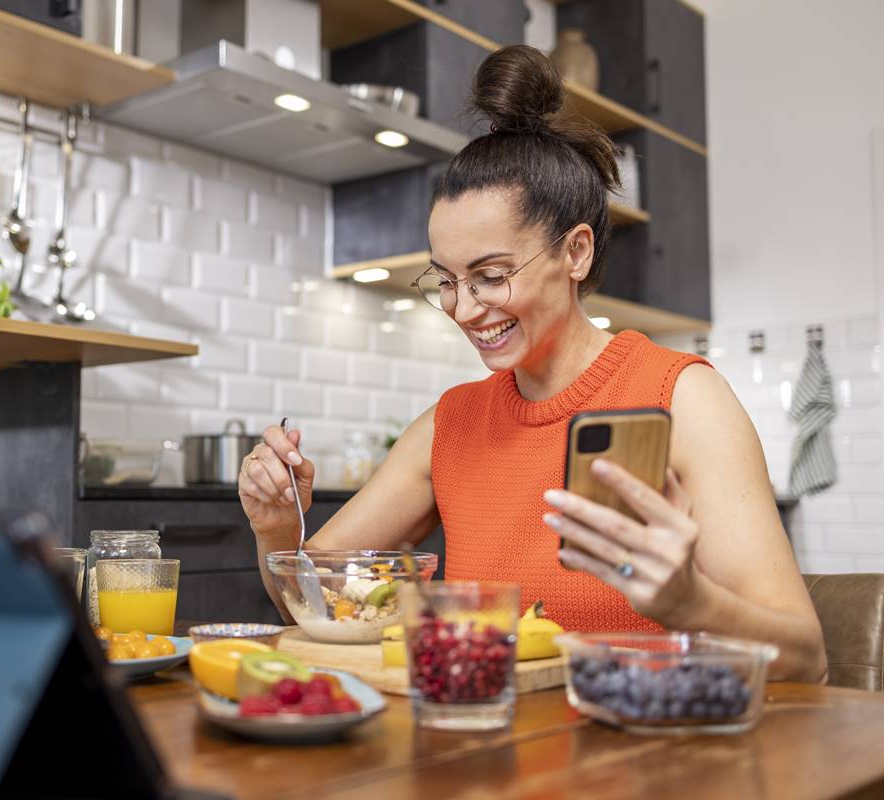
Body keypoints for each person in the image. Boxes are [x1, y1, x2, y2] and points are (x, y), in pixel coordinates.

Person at [238, 45, 826, 682]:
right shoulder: (450, 424)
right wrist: (276, 532)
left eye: (490, 276)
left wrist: (689, 601)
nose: (463, 308)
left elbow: (806, 658)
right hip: (477, 753)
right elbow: (320, 605)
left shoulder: (681, 396)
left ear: (575, 253)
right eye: (446, 280)